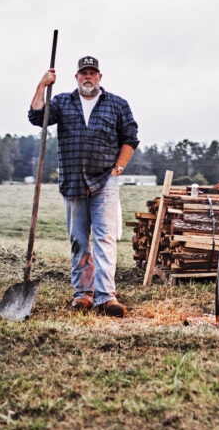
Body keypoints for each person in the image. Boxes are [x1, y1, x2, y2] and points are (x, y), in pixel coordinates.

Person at [29, 55, 139, 317]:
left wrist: (118, 168)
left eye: (92, 72)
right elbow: (36, 117)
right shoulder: (62, 102)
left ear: (100, 77)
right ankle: (83, 294)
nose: (88, 77)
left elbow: (131, 138)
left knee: (105, 238)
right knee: (79, 240)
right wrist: (42, 85)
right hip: (73, 180)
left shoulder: (117, 104)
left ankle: (105, 297)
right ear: (76, 77)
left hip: (105, 181)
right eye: (83, 73)